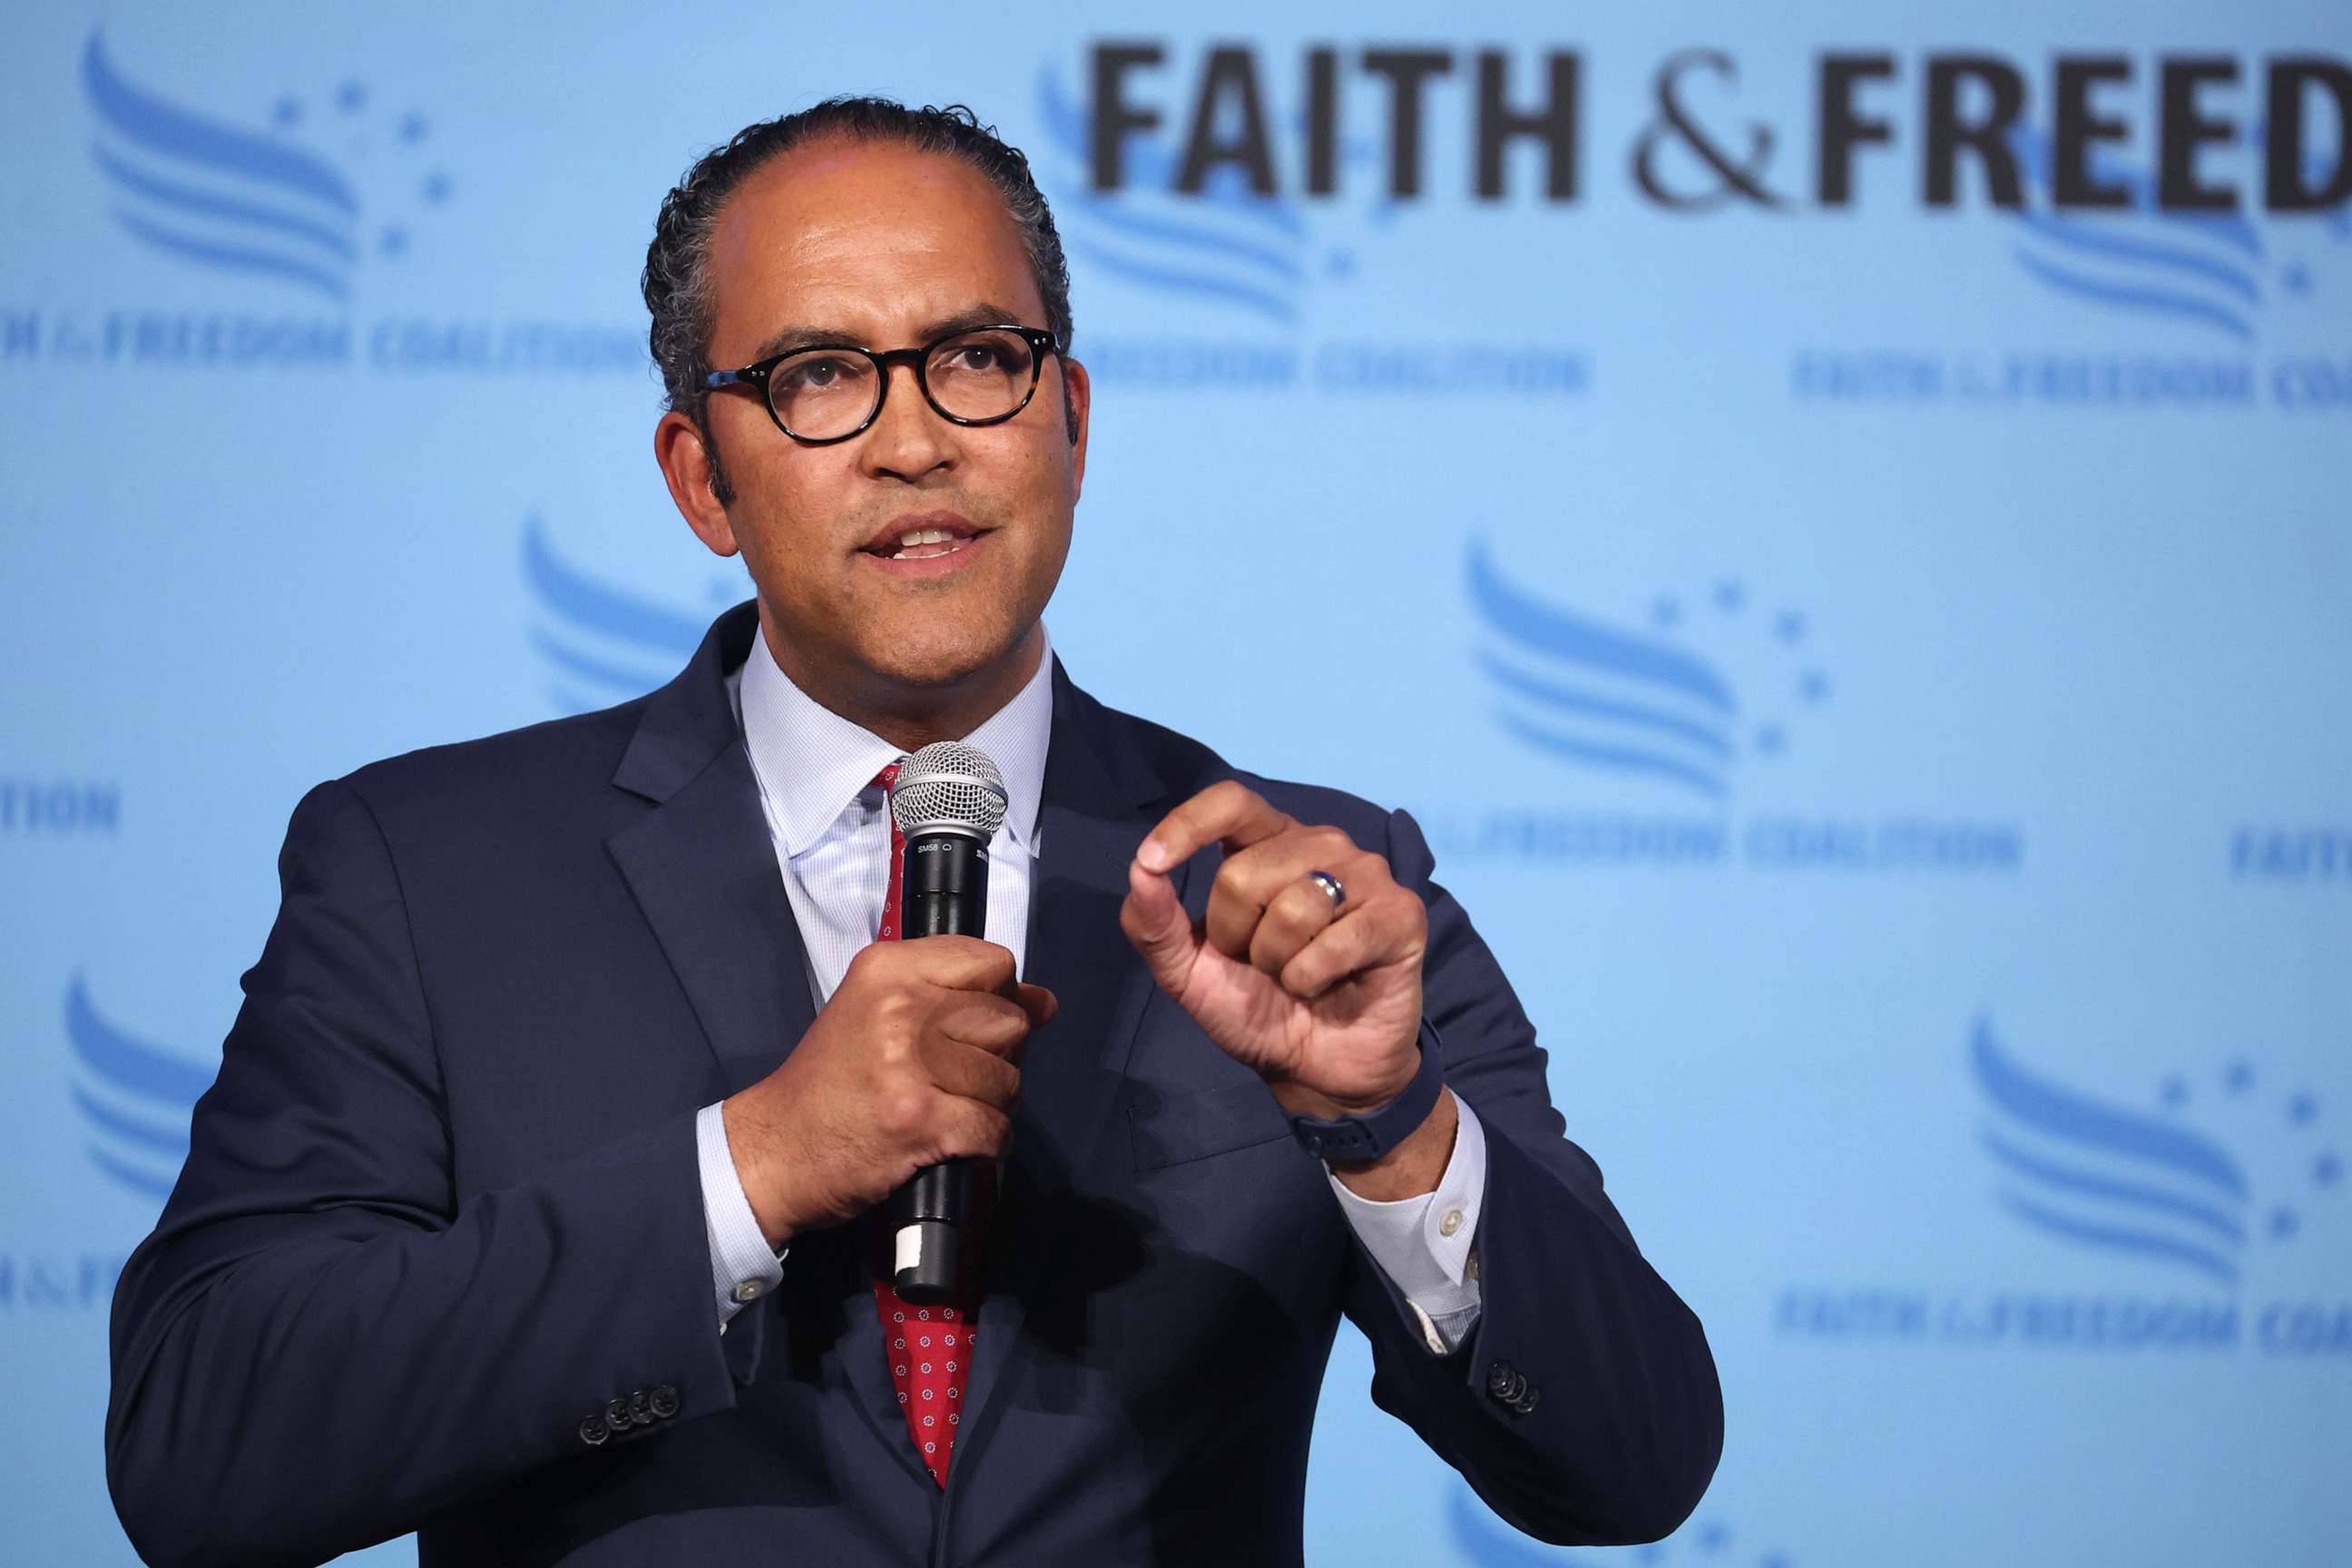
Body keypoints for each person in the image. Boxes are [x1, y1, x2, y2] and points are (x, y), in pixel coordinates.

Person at [103, 98, 1721, 1567]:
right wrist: (744, 1174)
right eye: (818, 376)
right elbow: (201, 1445)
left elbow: (1633, 1464)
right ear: (700, 481)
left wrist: (1393, 1132)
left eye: (976, 357)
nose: (912, 437)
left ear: (1070, 419)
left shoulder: (1306, 895)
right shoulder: (424, 868)